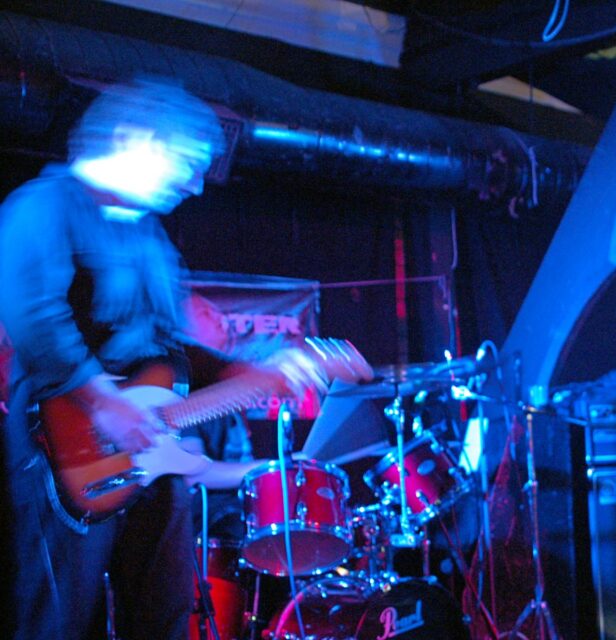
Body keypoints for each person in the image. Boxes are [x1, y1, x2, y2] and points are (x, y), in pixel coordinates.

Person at [0, 78, 371, 640]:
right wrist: (101, 400)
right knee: (54, 623)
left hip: (149, 465)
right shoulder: (44, 205)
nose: (196, 184)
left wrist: (254, 371)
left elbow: (170, 352)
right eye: (188, 163)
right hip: (58, 456)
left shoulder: (151, 240)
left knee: (164, 617)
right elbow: (34, 315)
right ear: (135, 138)